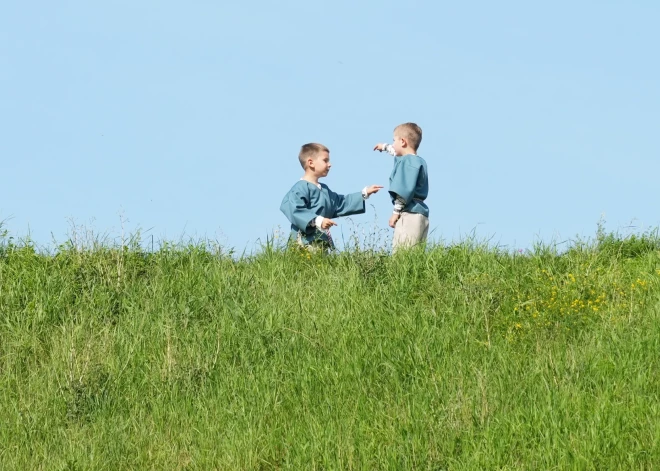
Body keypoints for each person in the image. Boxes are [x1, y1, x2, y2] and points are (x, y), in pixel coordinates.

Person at [280, 143, 382, 250]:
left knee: (321, 264)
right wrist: (318, 221)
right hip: (304, 242)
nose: (329, 164)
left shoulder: (324, 190)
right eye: (325, 160)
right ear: (311, 163)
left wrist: (364, 193)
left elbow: (340, 203)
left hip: (321, 241)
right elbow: (294, 208)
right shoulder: (300, 188)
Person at [374, 122, 429, 252]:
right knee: (416, 254)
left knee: (402, 252)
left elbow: (404, 190)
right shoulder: (418, 161)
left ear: (403, 142)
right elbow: (398, 153)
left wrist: (395, 213)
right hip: (421, 214)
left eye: (394, 141)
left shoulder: (408, 162)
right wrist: (385, 147)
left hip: (409, 213)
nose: (392, 144)